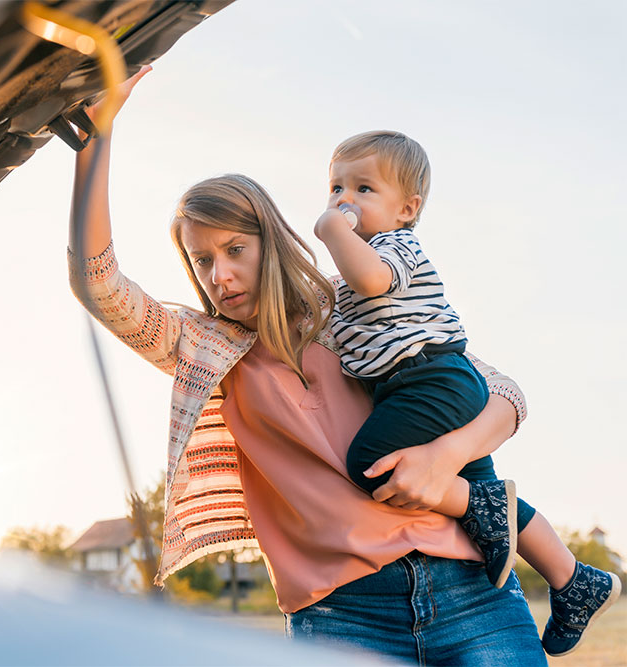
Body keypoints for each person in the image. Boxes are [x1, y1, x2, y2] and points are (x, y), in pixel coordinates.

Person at [69, 66, 546, 664]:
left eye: (235, 250)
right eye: (202, 260)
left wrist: (445, 457)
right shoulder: (204, 351)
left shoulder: (347, 307)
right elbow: (99, 287)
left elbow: (503, 393)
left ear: (270, 241)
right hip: (342, 615)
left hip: (471, 590)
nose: (220, 275)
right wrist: (94, 143)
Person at [312, 131, 620, 656]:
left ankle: (510, 529)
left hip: (431, 380)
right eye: (336, 187)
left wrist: (329, 231)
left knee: (370, 463)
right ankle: (574, 580)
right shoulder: (350, 270)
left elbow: (369, 280)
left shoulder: (394, 248)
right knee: (480, 488)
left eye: (364, 189)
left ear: (407, 210)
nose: (345, 200)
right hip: (420, 386)